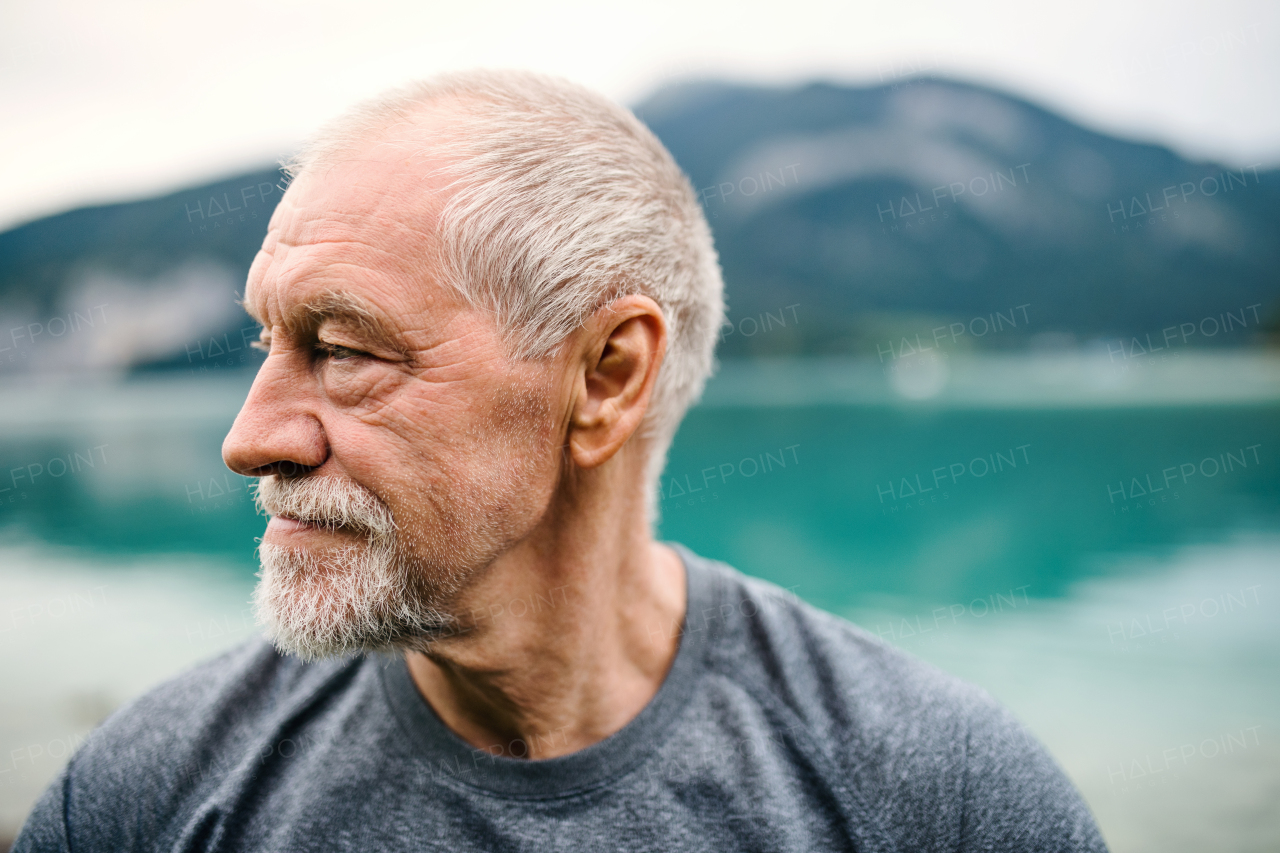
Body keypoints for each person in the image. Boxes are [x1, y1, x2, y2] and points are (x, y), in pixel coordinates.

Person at [14, 69, 1107, 852]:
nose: (251, 438)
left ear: (605, 378)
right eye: (267, 343)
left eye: (341, 349)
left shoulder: (940, 798)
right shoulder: (146, 798)